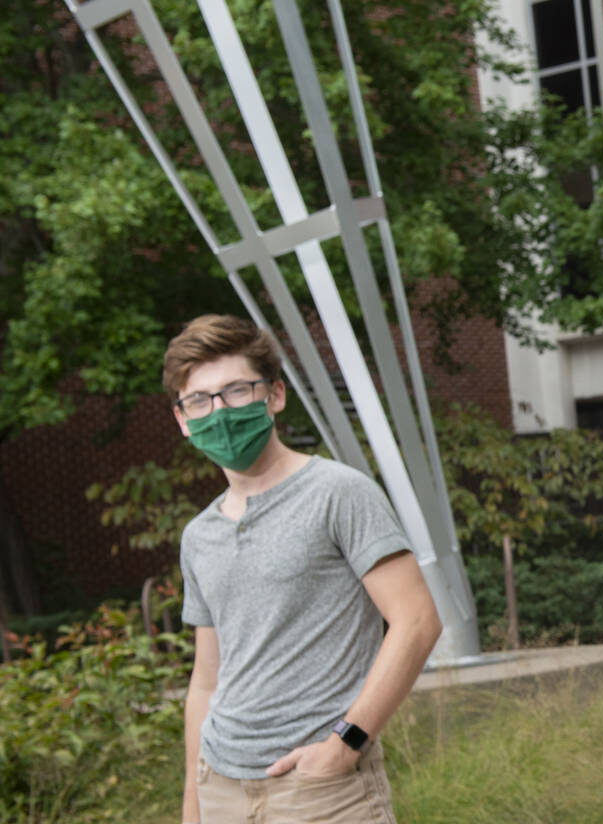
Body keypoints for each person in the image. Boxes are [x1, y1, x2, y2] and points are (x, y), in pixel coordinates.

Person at [166, 315, 442, 824]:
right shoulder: (198, 535)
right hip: (220, 786)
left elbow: (418, 621)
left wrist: (346, 745)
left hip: (319, 789)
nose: (219, 411)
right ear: (183, 419)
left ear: (274, 395)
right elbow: (206, 681)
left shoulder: (339, 493)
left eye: (236, 391)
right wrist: (193, 805)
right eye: (200, 400)